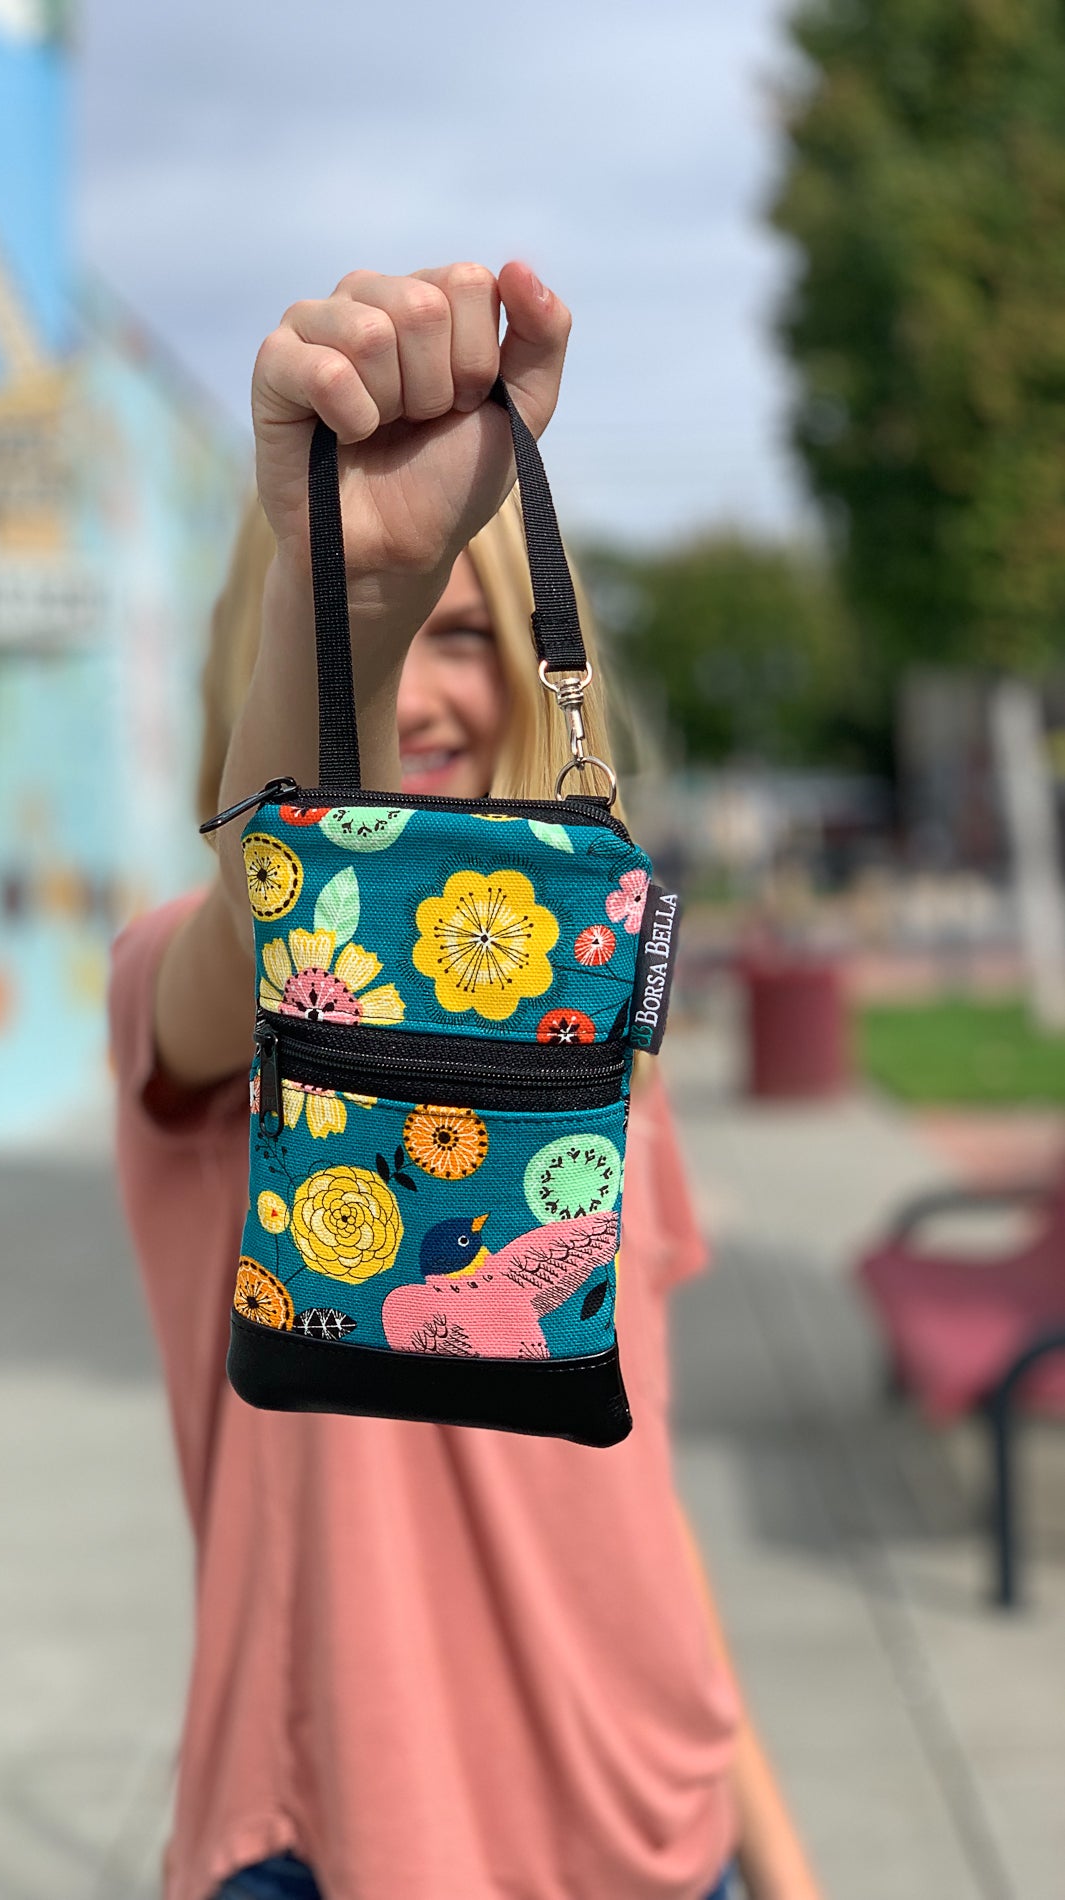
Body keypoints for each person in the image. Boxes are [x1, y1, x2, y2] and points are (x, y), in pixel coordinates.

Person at [108, 261, 822, 1900]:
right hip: (340, 1836)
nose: (424, 688)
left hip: (659, 1818)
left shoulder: (599, 1020)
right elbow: (260, 921)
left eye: (466, 634)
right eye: (389, 643)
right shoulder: (190, 981)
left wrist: (777, 1855)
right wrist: (355, 584)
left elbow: (627, 1479)